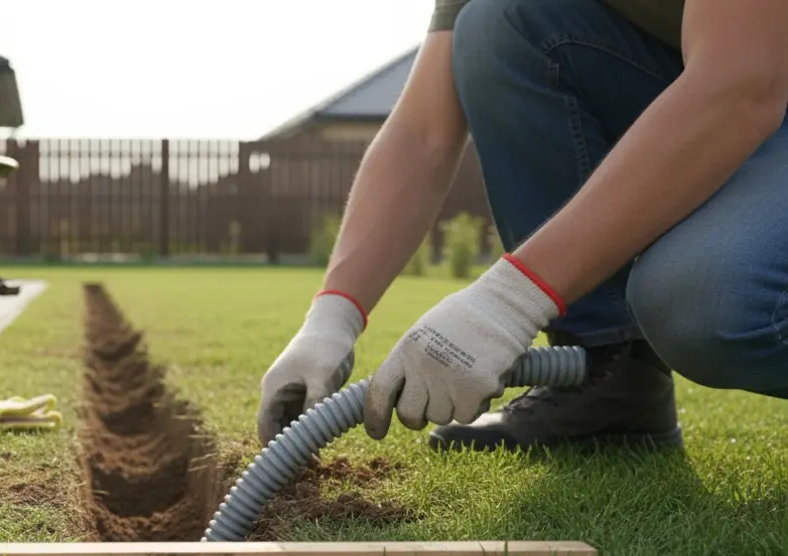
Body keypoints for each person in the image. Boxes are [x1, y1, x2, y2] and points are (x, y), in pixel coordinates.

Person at [257, 0, 788, 453]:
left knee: (708, 302)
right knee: (498, 22)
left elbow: (742, 81)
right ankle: (612, 381)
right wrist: (332, 318)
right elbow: (423, 131)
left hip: (749, 80)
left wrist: (510, 299)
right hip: (729, 84)